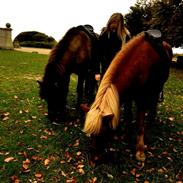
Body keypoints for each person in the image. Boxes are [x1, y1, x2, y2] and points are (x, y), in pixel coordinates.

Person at [99, 12, 131, 77]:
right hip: (105, 67)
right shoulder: (104, 34)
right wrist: (97, 71)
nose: (113, 24)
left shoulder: (125, 35)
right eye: (112, 22)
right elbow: (99, 52)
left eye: (115, 22)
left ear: (120, 23)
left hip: (119, 67)